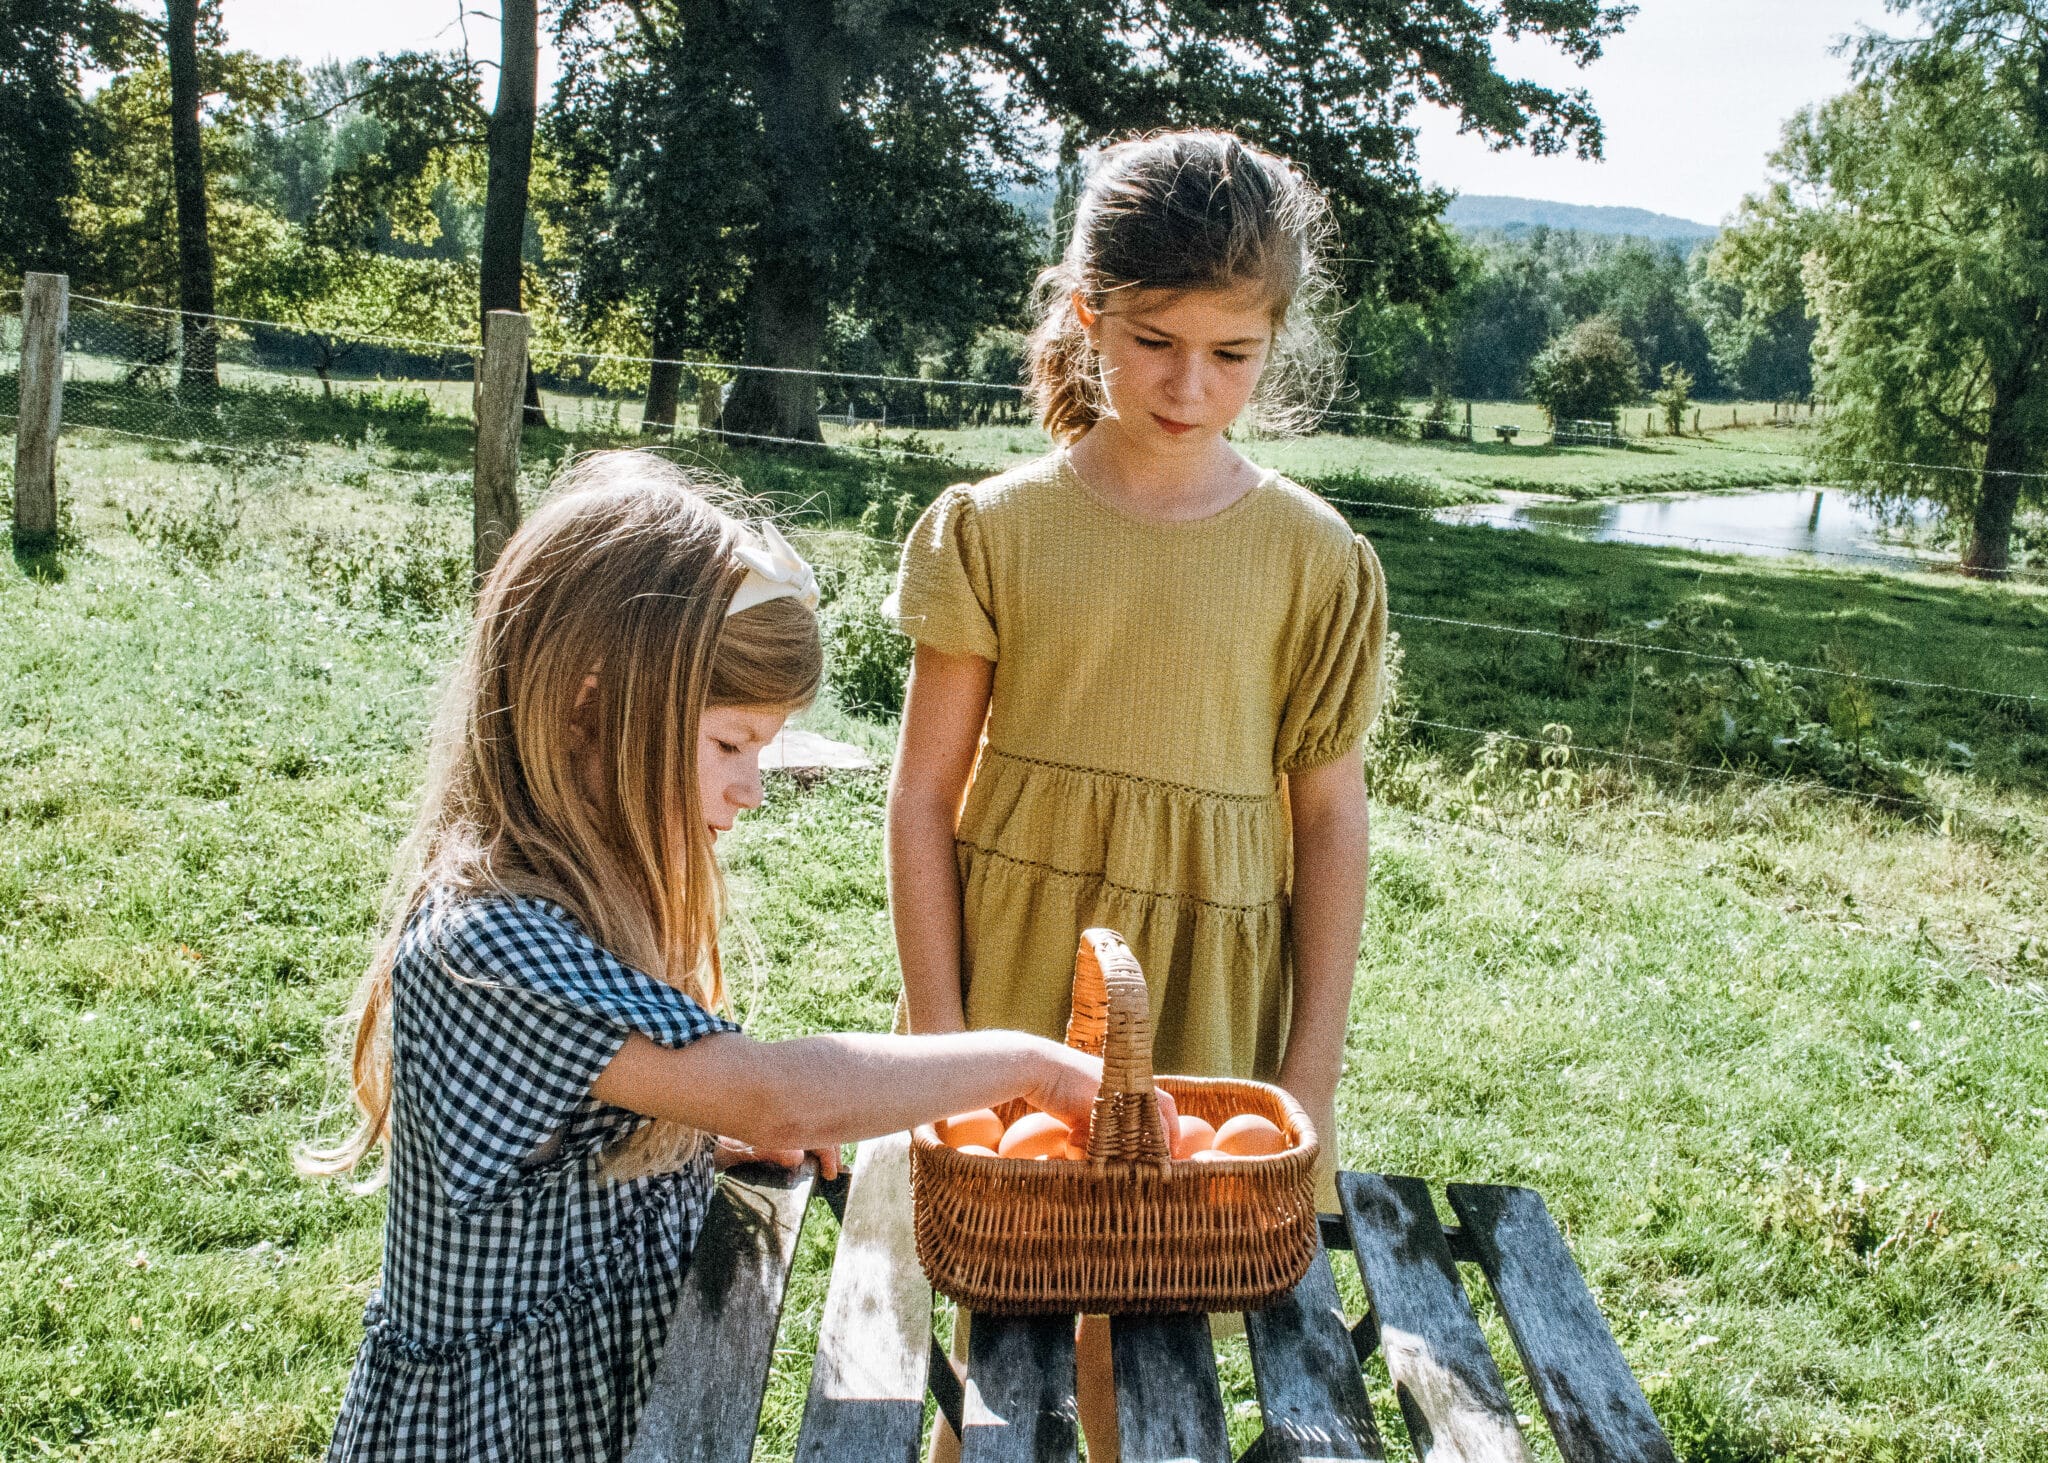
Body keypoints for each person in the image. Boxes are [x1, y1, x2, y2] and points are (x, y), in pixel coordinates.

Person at [302, 451, 1105, 1462]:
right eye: (732, 744)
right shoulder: (489, 944)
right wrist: (1027, 1063)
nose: (752, 787)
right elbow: (779, 1094)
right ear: (593, 704)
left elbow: (590, 1126)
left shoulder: (575, 896)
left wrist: (686, 1136)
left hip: (604, 1399)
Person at [885, 130, 1387, 1461]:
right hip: (1012, 978)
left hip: (1204, 992)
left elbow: (1331, 817)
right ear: (1088, 314)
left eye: (1235, 352)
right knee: (1000, 1326)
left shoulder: (1315, 558)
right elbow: (923, 797)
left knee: (1148, 1333)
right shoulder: (992, 528)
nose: (1191, 383)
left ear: (1275, 341)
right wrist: (938, 1038)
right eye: (1159, 339)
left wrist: (1310, 1067)